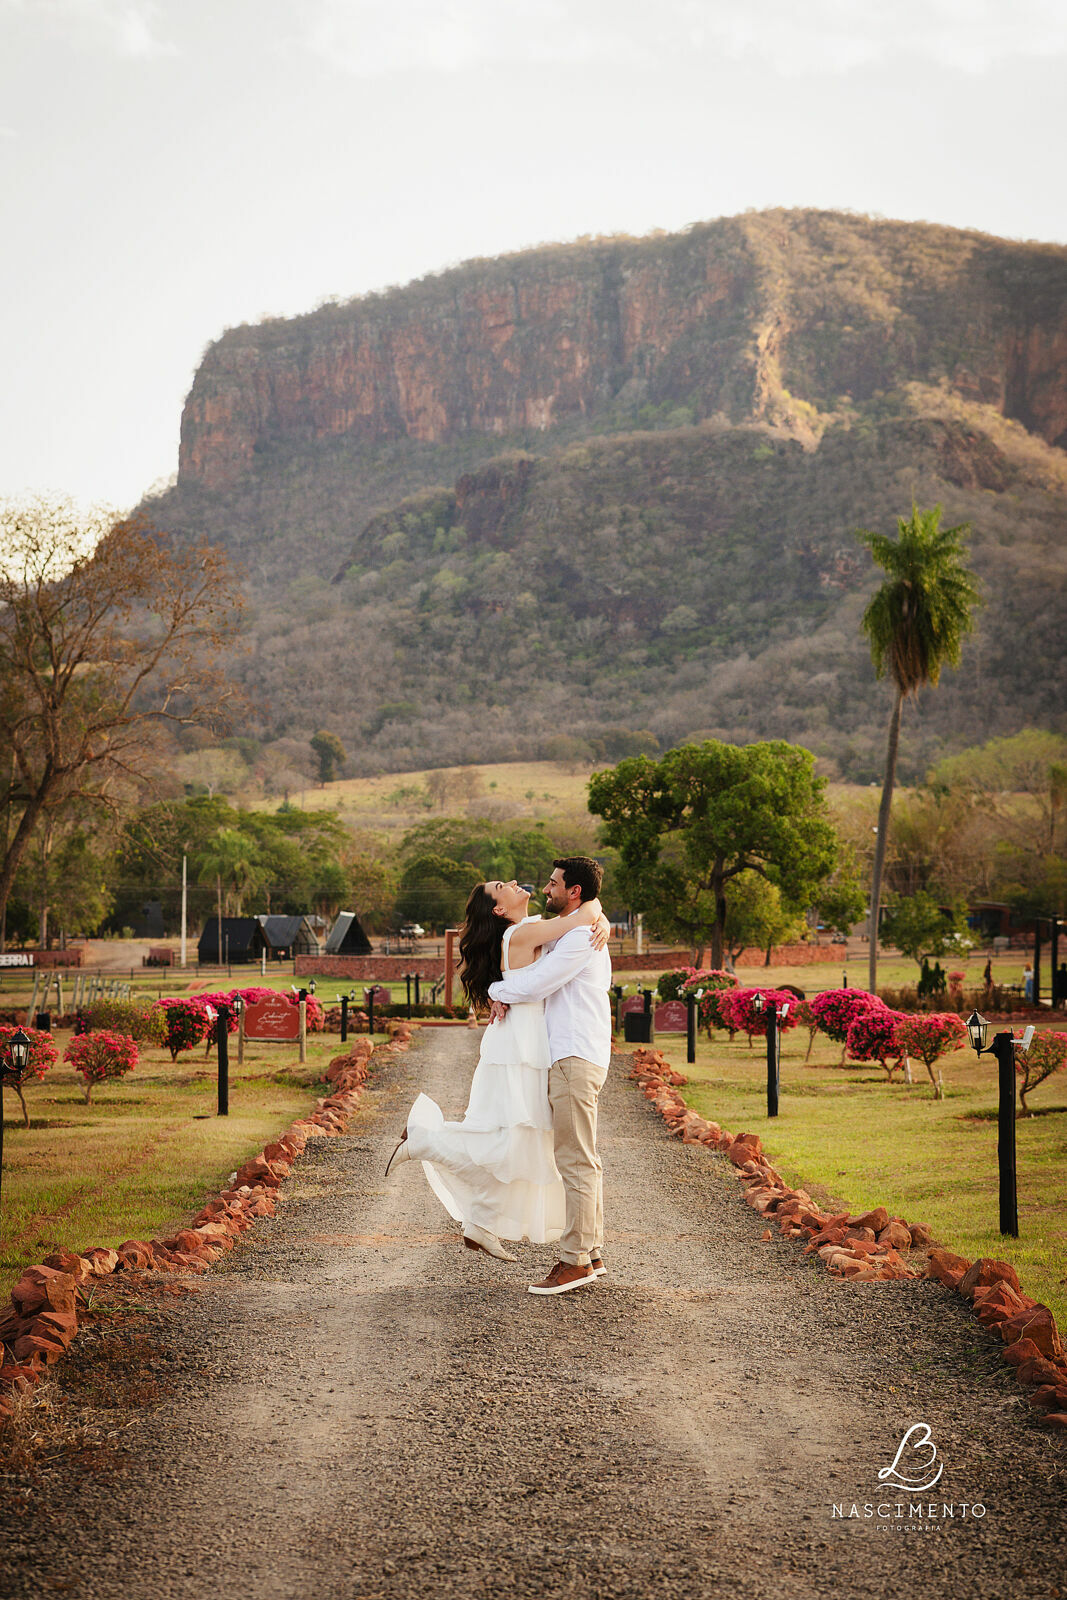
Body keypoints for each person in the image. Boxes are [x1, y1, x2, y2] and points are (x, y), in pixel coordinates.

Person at [385, 874, 609, 1267]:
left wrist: (598, 916)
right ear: (499, 909)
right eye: (502, 886)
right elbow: (579, 917)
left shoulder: (530, 928)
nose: (515, 882)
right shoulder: (523, 934)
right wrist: (596, 911)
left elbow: (577, 918)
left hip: (527, 1039)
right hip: (522, 1044)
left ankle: (482, 1222)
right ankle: (423, 1140)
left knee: (517, 1139)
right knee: (511, 1140)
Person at [488, 856, 613, 1297]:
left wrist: (494, 991)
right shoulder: (581, 925)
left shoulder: (581, 936)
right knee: (582, 1157)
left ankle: (575, 1260)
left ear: (574, 891)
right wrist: (600, 915)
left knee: (575, 1160)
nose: (546, 887)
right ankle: (591, 1251)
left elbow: (537, 983)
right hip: (572, 1053)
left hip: (574, 1054)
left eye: (554, 882)